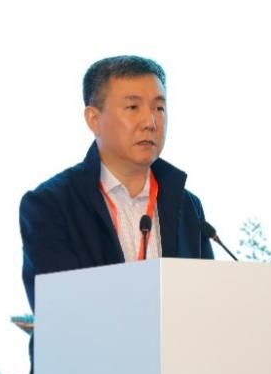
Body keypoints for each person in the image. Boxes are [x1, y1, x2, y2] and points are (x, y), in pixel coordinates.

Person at [19, 55, 214, 313]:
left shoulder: (187, 206)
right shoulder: (51, 205)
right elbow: (59, 313)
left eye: (159, 108)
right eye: (133, 107)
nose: (150, 122)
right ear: (94, 119)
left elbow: (206, 305)